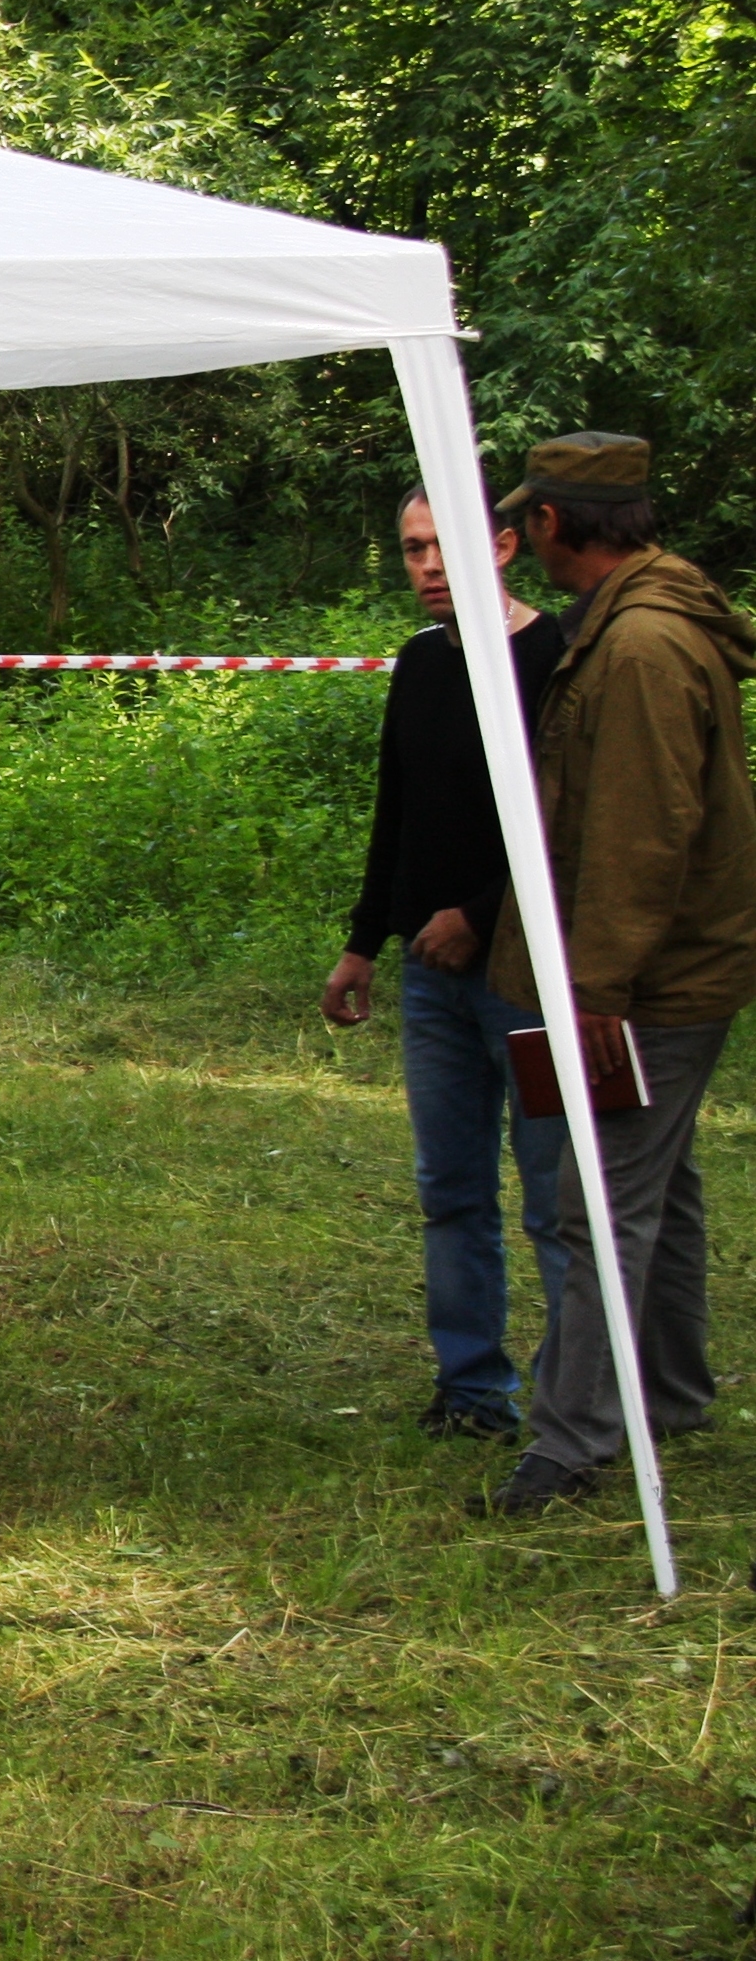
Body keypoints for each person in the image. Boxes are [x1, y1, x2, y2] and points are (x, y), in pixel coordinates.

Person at [476, 434, 756, 1515]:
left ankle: (574, 1442)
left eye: (524, 521)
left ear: (550, 523)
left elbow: (643, 832)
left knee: (596, 1198)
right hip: (665, 966)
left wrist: (596, 986)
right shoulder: (643, 620)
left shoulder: (639, 644)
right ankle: (670, 1393)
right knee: (658, 1186)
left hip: (650, 979)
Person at [317, 491, 569, 1440]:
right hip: (430, 977)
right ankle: (471, 1390)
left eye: (444, 544)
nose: (427, 564)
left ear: (501, 544)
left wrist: (482, 916)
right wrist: (363, 941)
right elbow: (400, 811)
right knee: (452, 1190)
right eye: (412, 547)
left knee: (556, 1197)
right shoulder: (422, 662)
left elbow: (571, 823)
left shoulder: (556, 657)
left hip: (532, 973)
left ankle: (574, 1397)